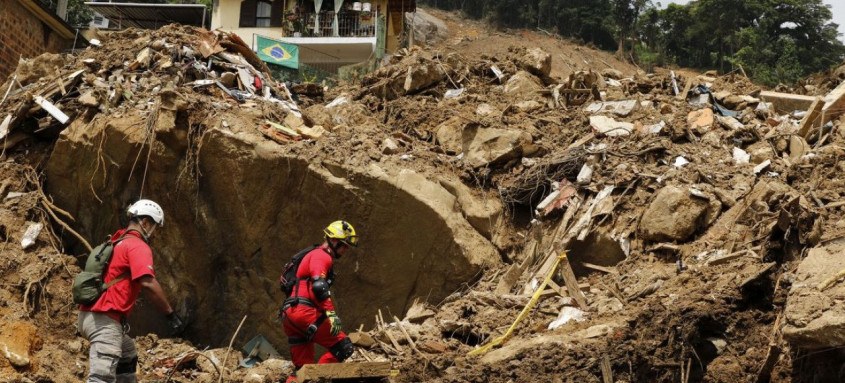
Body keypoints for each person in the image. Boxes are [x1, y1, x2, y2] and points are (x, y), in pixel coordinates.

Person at [77, 199, 185, 383]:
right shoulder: (137, 245)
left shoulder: (116, 241)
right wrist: (170, 314)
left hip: (88, 317)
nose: (154, 233)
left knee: (127, 355)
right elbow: (148, 282)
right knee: (100, 378)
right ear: (144, 222)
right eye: (154, 227)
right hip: (105, 322)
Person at [281, 220, 358, 383]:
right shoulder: (321, 255)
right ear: (334, 240)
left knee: (302, 371)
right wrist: (331, 314)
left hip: (290, 315)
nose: (346, 250)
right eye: (344, 245)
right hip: (304, 313)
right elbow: (319, 286)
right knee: (344, 347)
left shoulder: (312, 255)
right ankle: (320, 380)